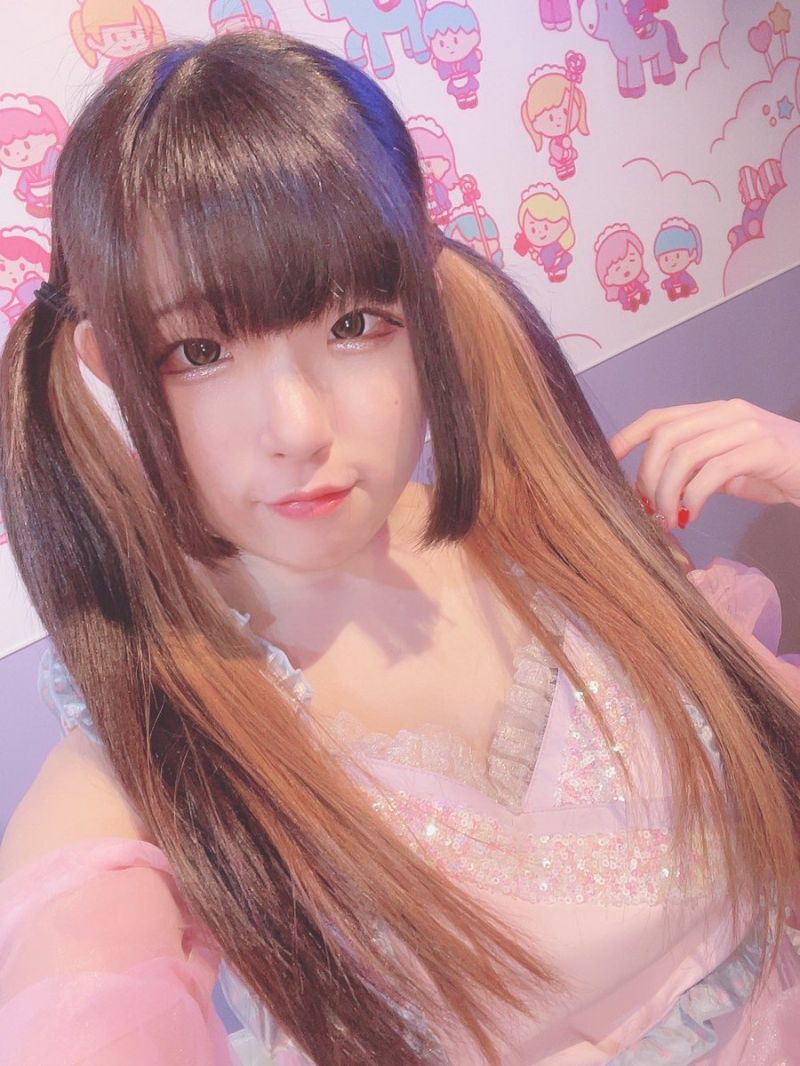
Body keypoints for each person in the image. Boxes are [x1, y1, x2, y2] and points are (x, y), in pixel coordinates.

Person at [0, 32, 799, 1066]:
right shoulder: (152, 753)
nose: (296, 428)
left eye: (353, 324)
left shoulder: (554, 538)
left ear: (423, 306)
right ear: (111, 367)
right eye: (198, 351)